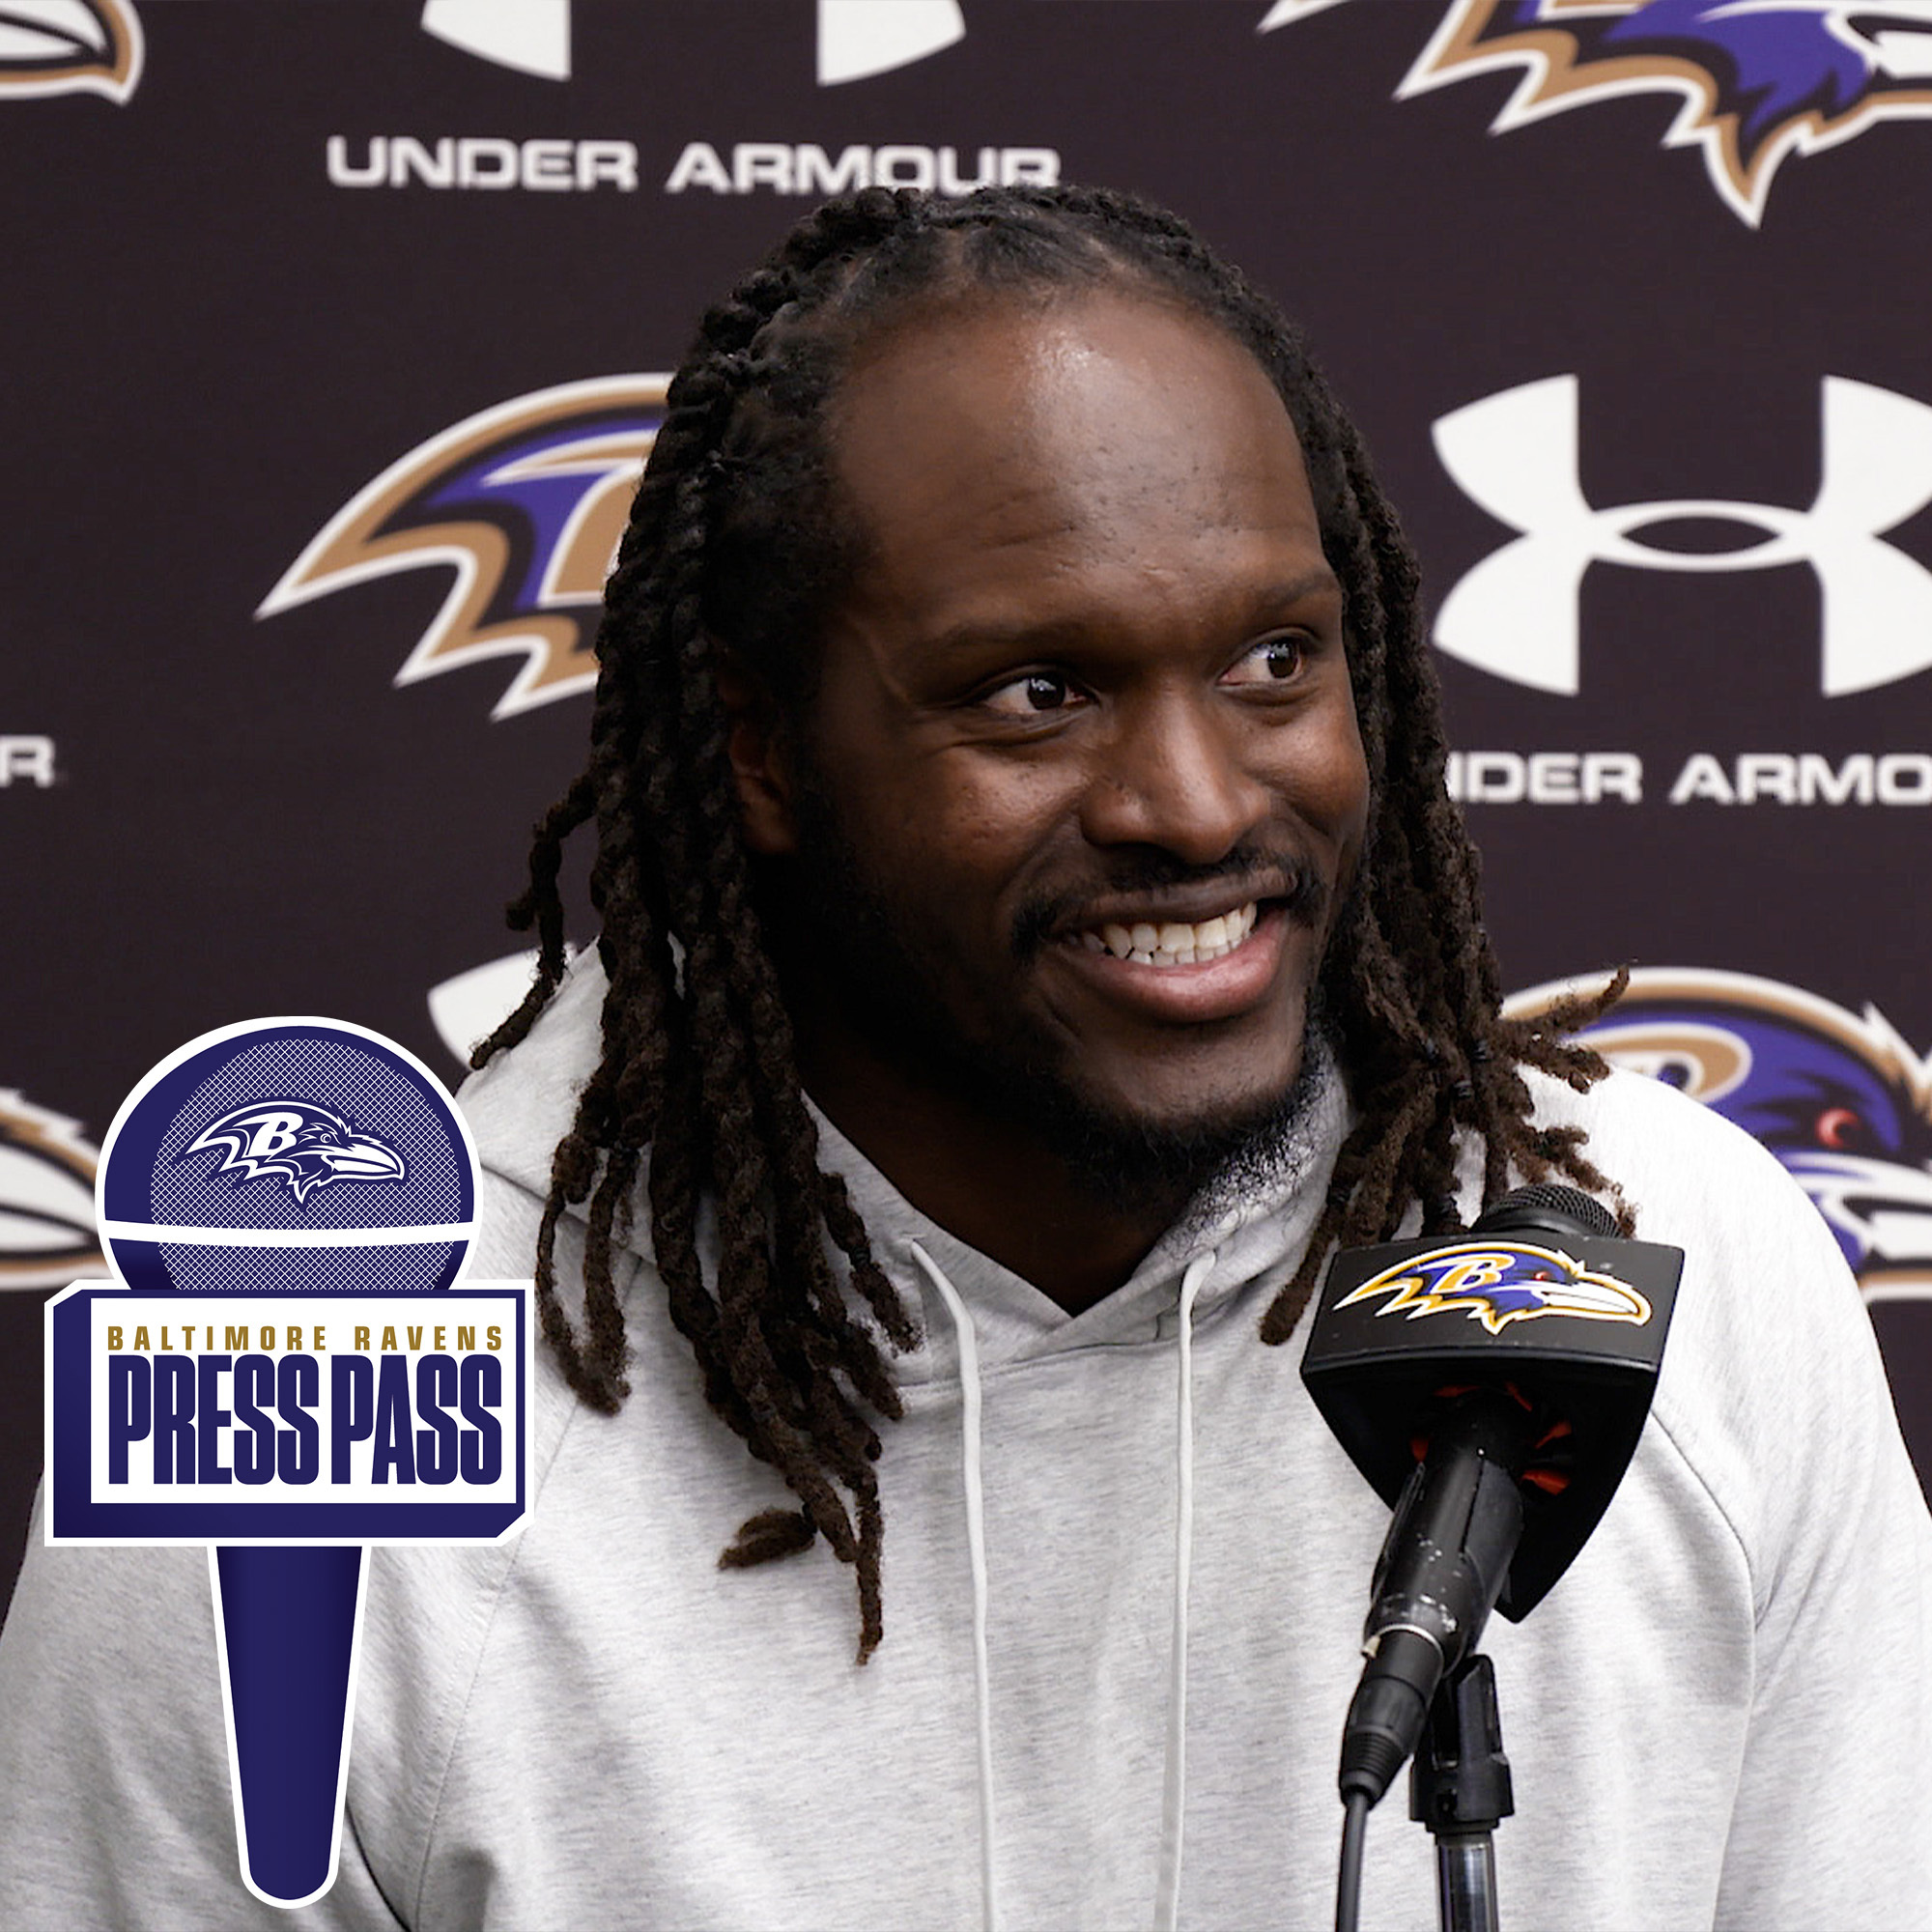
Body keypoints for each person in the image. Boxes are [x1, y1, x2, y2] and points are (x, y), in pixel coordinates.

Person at [2, 185, 1929, 1929]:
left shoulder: (1660, 1259)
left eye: (1273, 660)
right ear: (760, 750)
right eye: (1040, 691)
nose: (1195, 803)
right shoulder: (312, 1388)